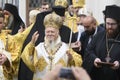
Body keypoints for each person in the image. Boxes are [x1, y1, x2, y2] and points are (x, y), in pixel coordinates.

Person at [18, 5, 76, 80]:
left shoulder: (65, 48)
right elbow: (27, 59)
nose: (50, 34)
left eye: (52, 32)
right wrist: (31, 44)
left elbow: (77, 63)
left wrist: (71, 59)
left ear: (58, 32)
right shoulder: (39, 48)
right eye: (48, 32)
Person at [83, 5, 120, 80]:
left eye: (112, 24)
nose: (109, 27)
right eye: (107, 23)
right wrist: (94, 59)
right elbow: (89, 51)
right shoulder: (99, 35)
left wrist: (119, 63)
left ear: (119, 23)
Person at [0, 12, 12, 80]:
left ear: (3, 24)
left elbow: (15, 59)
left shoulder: (9, 39)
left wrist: (6, 60)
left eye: (0, 23)